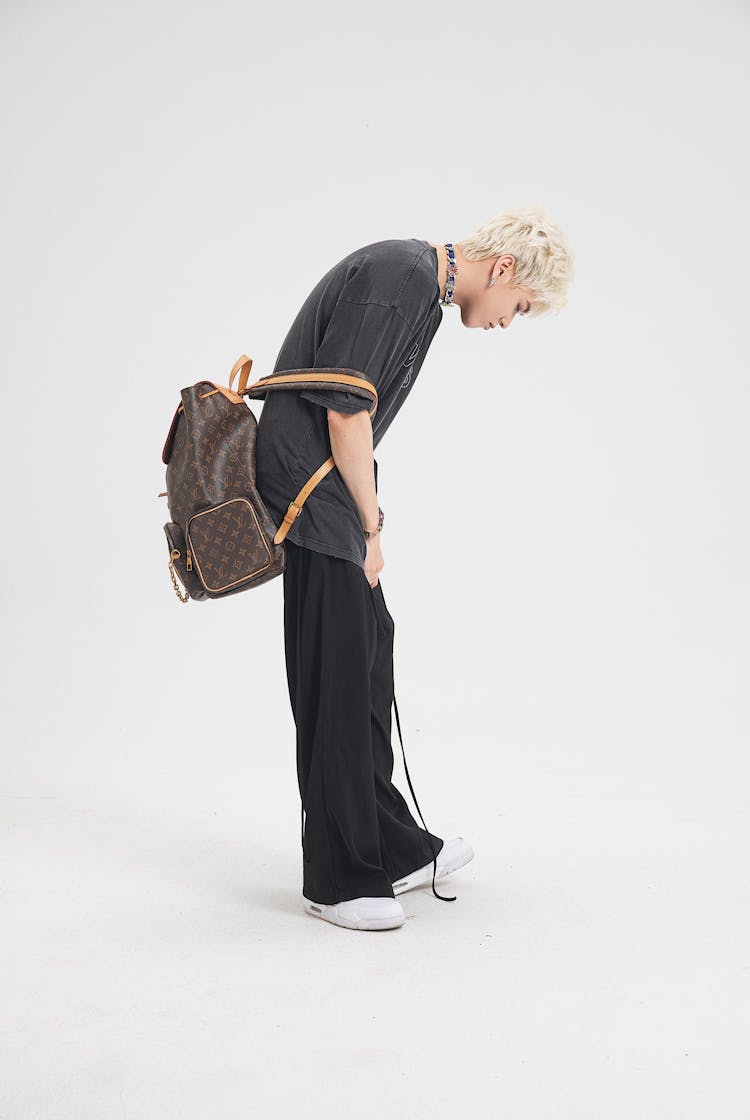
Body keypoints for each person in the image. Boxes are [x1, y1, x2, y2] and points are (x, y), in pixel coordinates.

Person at [255, 207, 574, 932]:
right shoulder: (399, 273)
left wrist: (365, 516)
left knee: (368, 658)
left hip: (327, 490)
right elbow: (344, 411)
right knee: (336, 678)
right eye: (518, 308)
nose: (506, 323)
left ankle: (390, 847)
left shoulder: (418, 291)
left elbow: (350, 410)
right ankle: (336, 879)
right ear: (503, 272)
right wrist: (370, 524)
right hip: (312, 488)